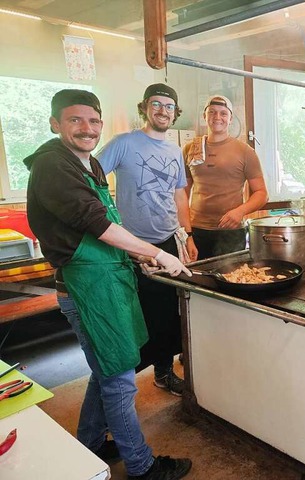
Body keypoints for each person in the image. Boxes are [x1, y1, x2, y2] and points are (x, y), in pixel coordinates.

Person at [24, 89, 192, 479]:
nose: (87, 129)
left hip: (109, 279)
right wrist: (156, 253)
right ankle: (141, 465)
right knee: (119, 381)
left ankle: (92, 443)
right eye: (75, 120)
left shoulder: (86, 164)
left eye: (93, 121)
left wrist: (139, 254)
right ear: (55, 124)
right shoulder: (52, 165)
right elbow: (96, 224)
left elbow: (107, 220)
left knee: (107, 372)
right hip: (87, 290)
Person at [97, 83, 197, 396]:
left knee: (168, 309)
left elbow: (179, 194)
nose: (163, 111)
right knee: (135, 310)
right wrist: (107, 215)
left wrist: (188, 234)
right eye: (156, 104)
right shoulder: (124, 143)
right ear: (144, 108)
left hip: (167, 241)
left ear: (175, 113)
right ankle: (124, 380)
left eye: (169, 106)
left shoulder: (174, 150)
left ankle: (164, 372)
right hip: (132, 245)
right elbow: (90, 177)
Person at [182, 94, 268, 257]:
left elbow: (262, 194)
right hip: (197, 230)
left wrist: (239, 212)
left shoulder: (245, 151)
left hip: (231, 232)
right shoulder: (190, 149)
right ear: (204, 116)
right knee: (198, 278)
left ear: (230, 119)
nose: (217, 117)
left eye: (223, 113)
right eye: (212, 112)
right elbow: (182, 195)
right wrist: (187, 234)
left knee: (232, 277)